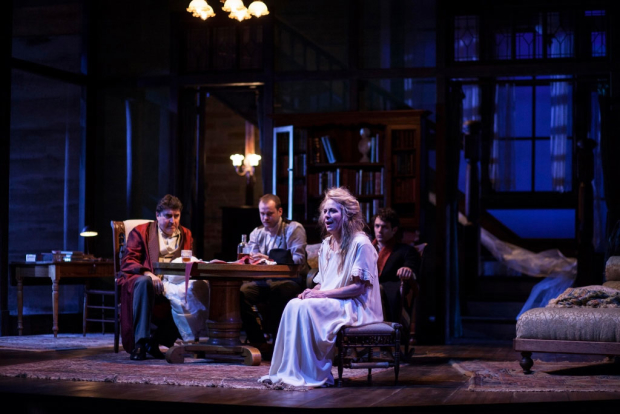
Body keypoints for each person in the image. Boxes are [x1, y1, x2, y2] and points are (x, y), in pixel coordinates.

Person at [260, 187, 383, 387]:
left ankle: (313, 373)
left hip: (357, 305)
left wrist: (321, 295)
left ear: (347, 214)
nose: (327, 215)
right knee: (294, 304)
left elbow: (358, 289)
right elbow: (322, 282)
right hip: (334, 300)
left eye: (333, 211)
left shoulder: (361, 244)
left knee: (307, 307)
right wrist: (311, 292)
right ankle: (288, 372)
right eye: (325, 211)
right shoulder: (327, 244)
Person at [118, 194, 209, 360]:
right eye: (167, 216)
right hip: (144, 279)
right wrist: (148, 273)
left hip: (172, 282)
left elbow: (187, 262)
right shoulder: (142, 232)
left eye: (176, 216)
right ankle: (140, 342)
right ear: (157, 215)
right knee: (145, 282)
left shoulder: (185, 234)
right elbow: (128, 260)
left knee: (197, 288)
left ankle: (156, 341)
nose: (172, 221)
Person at [240, 194, 308, 357]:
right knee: (242, 293)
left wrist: (269, 259)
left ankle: (280, 344)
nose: (265, 218)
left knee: (279, 292)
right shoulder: (257, 233)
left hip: (289, 280)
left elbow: (298, 259)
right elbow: (252, 258)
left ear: (279, 211)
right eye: (262, 213)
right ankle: (258, 342)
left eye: (269, 213)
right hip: (265, 281)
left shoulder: (293, 229)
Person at [372, 208, 421, 323]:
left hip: (387, 291)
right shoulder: (365, 248)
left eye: (384, 227)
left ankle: (384, 333)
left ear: (394, 230)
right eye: (377, 226)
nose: (379, 231)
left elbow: (411, 267)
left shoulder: (405, 250)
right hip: (364, 288)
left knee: (376, 289)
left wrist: (407, 270)